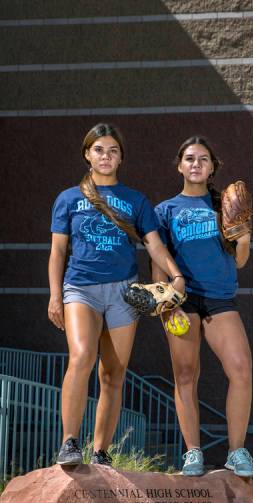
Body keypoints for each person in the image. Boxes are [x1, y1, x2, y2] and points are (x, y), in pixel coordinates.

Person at [48, 122, 185, 467]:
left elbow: (154, 243)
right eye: (98, 150)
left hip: (124, 292)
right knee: (81, 357)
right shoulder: (68, 199)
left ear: (121, 157)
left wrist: (176, 275)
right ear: (87, 155)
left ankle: (101, 451)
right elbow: (57, 253)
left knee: (113, 372)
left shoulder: (135, 200)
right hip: (81, 287)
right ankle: (69, 443)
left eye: (112, 150)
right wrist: (54, 295)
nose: (105, 156)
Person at [153, 135, 253, 478]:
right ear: (180, 165)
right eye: (190, 158)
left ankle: (237, 452)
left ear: (212, 167)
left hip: (219, 298)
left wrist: (244, 239)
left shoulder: (223, 205)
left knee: (240, 368)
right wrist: (167, 304)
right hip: (182, 300)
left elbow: (240, 261)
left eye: (203, 159)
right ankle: (193, 453)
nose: (196, 164)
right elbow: (158, 265)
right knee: (185, 375)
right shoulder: (165, 211)